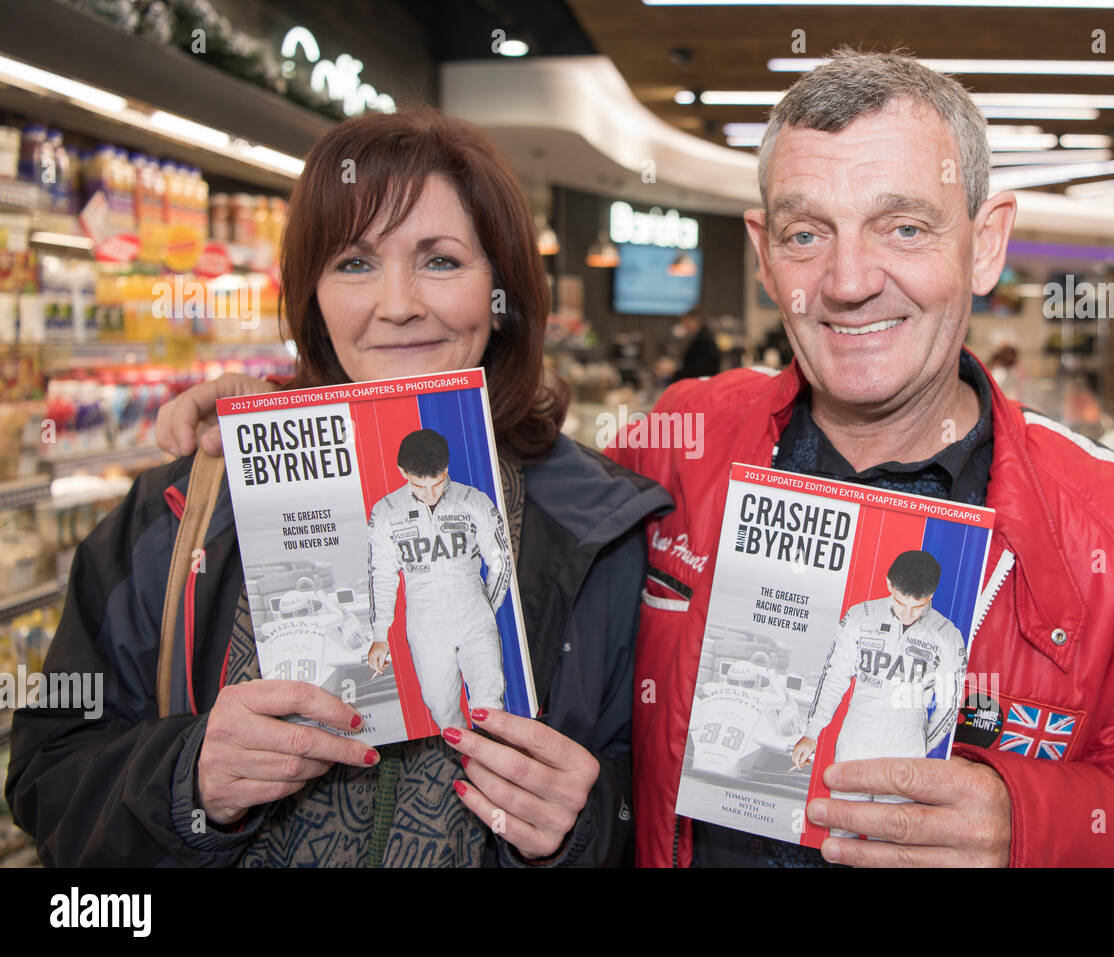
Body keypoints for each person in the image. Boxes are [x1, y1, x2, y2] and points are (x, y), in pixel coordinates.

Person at [607, 50, 1114, 867]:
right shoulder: (677, 445)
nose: (847, 281)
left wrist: (1028, 824)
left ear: (985, 246)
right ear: (765, 255)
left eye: (904, 227)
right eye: (807, 234)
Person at [5, 107, 671, 867]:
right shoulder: (189, 510)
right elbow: (47, 774)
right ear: (312, 297)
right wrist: (188, 779)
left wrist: (586, 827)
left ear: (504, 290)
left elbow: (654, 806)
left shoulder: (598, 525)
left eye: (441, 260)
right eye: (353, 263)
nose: (397, 304)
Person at [791, 551, 966, 830]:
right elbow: (834, 676)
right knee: (841, 831)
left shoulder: (947, 636)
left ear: (931, 595)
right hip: (854, 746)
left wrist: (922, 745)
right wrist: (812, 733)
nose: (908, 614)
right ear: (889, 585)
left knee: (890, 834)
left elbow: (949, 703)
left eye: (918, 606)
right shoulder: (860, 616)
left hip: (906, 755)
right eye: (900, 603)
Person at [366, 428, 509, 729]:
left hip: (473, 612)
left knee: (489, 706)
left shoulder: (475, 502)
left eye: (438, 482)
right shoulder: (386, 512)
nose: (431, 493)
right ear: (402, 473)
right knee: (442, 710)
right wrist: (380, 635)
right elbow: (382, 575)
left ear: (446, 470)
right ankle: (464, 761)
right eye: (420, 486)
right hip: (425, 622)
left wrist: (487, 610)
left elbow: (499, 561)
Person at [670, 308, 721, 382]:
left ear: (695, 320)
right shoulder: (700, 337)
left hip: (701, 384)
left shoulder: (704, 340)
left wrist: (675, 372)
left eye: (686, 323)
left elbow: (699, 369)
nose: (685, 326)